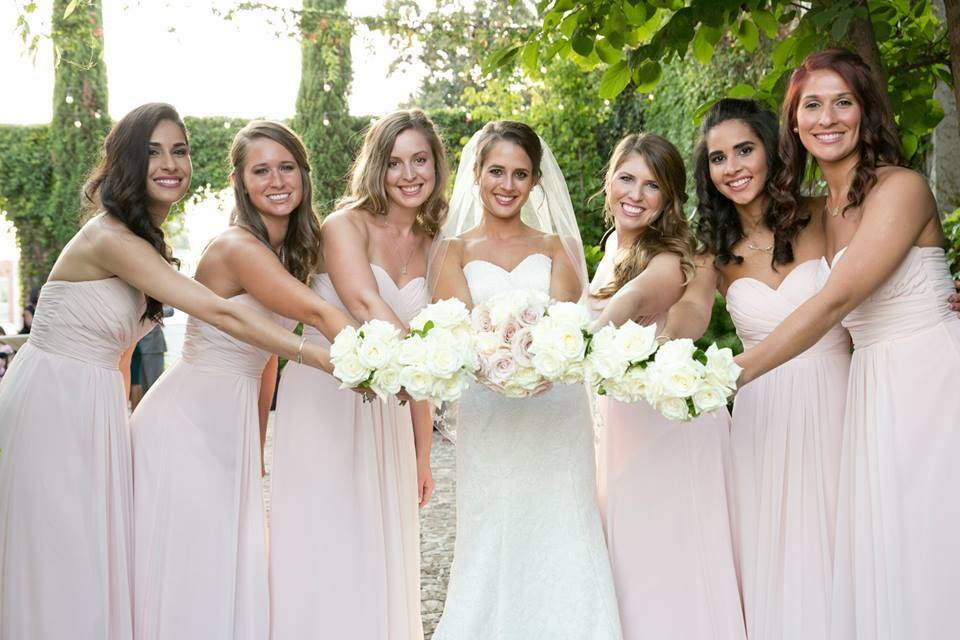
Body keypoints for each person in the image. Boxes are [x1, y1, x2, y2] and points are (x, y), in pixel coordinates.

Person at [0, 103, 339, 640]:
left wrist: (121, 409)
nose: (170, 162)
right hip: (53, 397)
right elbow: (221, 312)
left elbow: (118, 350)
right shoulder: (109, 237)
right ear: (124, 163)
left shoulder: (145, 241)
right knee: (63, 554)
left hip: (94, 401)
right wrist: (324, 356)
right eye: (152, 151)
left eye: (179, 150)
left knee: (98, 555)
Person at [734, 48, 960, 639]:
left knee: (934, 534)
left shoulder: (901, 188)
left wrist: (727, 376)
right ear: (793, 122)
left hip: (928, 376)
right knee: (891, 546)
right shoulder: (823, 212)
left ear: (866, 112)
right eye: (812, 104)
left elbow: (833, 301)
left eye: (843, 102)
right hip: (872, 386)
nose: (827, 118)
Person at [131, 120, 354, 639]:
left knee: (226, 555)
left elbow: (265, 362)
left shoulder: (288, 253)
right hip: (186, 421)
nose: (276, 180)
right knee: (191, 558)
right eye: (261, 170)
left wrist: (254, 447)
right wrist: (383, 359)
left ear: (303, 174)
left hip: (230, 424)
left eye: (286, 167)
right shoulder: (237, 248)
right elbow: (318, 314)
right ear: (240, 181)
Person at [430, 121, 622, 639]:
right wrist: (495, 358)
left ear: (535, 181)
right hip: (489, 413)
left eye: (520, 174)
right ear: (477, 174)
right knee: (493, 528)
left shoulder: (557, 245)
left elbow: (569, 328)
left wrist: (538, 365)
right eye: (497, 171)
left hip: (555, 412)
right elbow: (455, 332)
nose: (507, 184)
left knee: (562, 523)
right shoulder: (453, 252)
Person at [268, 110, 443, 640]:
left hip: (389, 409)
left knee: (379, 543)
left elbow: (436, 347)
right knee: (326, 535)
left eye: (420, 160)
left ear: (437, 166)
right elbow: (365, 303)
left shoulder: (438, 245)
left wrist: (423, 453)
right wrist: (427, 366)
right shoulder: (344, 225)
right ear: (375, 167)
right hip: (327, 398)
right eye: (394, 162)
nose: (408, 174)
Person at [588, 132, 746, 640]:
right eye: (626, 178)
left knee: (672, 554)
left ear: (670, 196)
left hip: (669, 425)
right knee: (630, 556)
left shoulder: (679, 253)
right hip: (623, 423)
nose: (634, 194)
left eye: (651, 185)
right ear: (609, 181)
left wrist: (578, 341)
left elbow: (646, 304)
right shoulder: (613, 245)